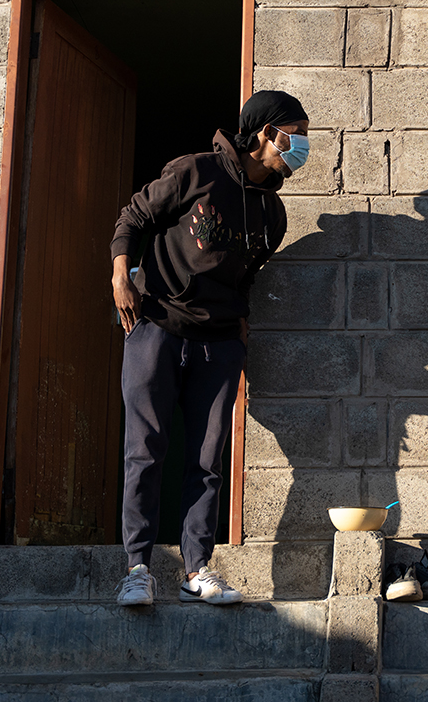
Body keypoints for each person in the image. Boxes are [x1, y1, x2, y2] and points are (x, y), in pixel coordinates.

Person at [109, 90, 310, 606]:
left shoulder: (274, 213)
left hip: (218, 345)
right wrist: (120, 277)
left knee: (207, 460)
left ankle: (198, 570)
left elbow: (247, 275)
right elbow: (133, 217)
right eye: (297, 133)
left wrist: (238, 328)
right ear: (266, 133)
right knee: (145, 450)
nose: (303, 145)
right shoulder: (195, 171)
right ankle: (137, 569)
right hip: (156, 326)